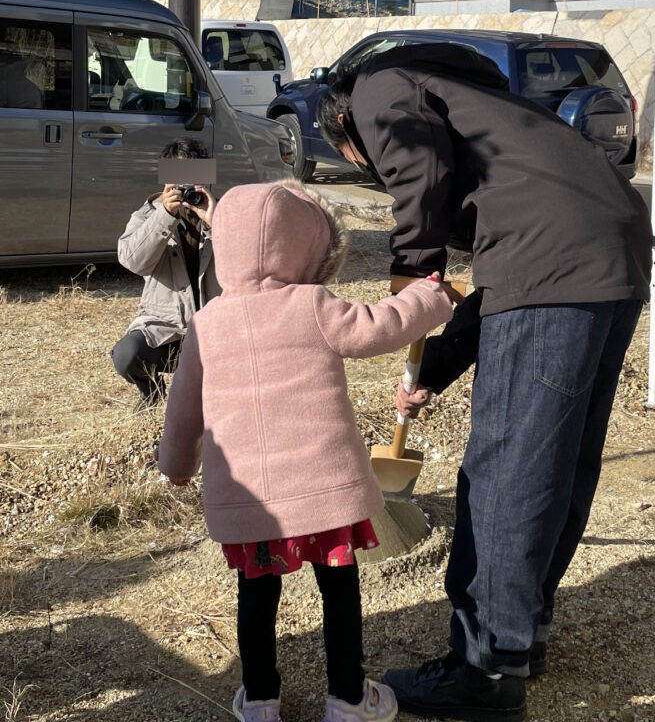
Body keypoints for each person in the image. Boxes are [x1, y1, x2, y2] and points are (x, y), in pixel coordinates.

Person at [316, 44, 652, 722]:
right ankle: (524, 637)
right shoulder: (491, 109)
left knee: (508, 472)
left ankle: (486, 669)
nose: (373, 172)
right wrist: (433, 368)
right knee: (558, 461)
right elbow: (506, 278)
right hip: (613, 249)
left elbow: (420, 175)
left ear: (346, 125)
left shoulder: (378, 86)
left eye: (361, 161)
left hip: (555, 258)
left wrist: (412, 280)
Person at [155, 181, 456, 722]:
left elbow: (184, 410)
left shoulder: (206, 323)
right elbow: (379, 327)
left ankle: (261, 700)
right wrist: (428, 297)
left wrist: (177, 465)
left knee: (257, 595)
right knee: (339, 590)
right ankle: (347, 698)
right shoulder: (313, 304)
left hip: (251, 500)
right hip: (324, 493)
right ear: (305, 247)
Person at [110, 137, 218, 408]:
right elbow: (132, 261)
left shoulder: (220, 210)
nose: (185, 186)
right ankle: (151, 391)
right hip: (165, 327)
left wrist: (217, 222)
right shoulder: (148, 214)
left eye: (193, 177)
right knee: (126, 355)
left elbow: (250, 262)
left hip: (214, 328)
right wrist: (165, 215)